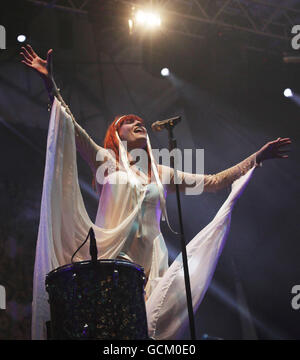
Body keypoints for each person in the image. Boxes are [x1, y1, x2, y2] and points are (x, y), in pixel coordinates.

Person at [21, 45, 291, 340]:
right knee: (116, 330)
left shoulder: (160, 173)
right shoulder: (107, 161)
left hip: (153, 263)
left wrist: (257, 157)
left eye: (140, 121)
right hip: (117, 258)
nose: (138, 123)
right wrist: (51, 84)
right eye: (128, 122)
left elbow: (214, 182)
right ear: (116, 133)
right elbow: (71, 126)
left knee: (146, 334)